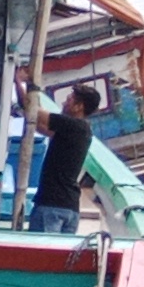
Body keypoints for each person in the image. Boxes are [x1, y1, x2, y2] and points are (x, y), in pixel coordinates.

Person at [32, 84, 102, 234]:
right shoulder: (81, 130)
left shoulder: (73, 125)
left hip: (51, 205)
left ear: (79, 107)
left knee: (42, 255)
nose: (64, 103)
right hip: (70, 208)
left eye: (69, 100)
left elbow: (34, 112)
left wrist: (22, 83)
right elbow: (38, 125)